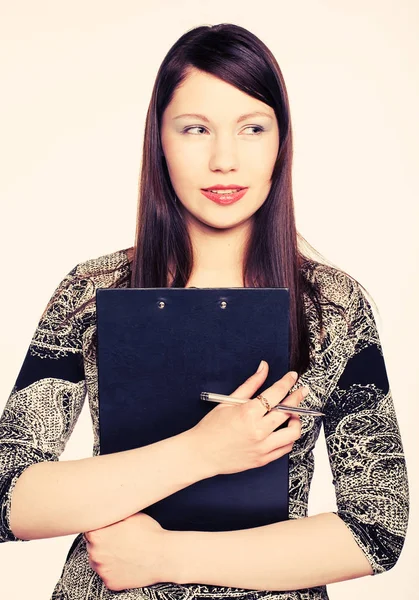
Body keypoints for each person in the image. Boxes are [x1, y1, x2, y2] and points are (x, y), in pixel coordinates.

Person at [0, 22, 409, 600]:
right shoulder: (92, 290)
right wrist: (200, 452)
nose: (224, 159)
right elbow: (5, 498)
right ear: (159, 140)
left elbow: (377, 531)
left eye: (251, 128)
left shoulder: (332, 305)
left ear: (280, 142)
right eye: (196, 129)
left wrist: (168, 555)